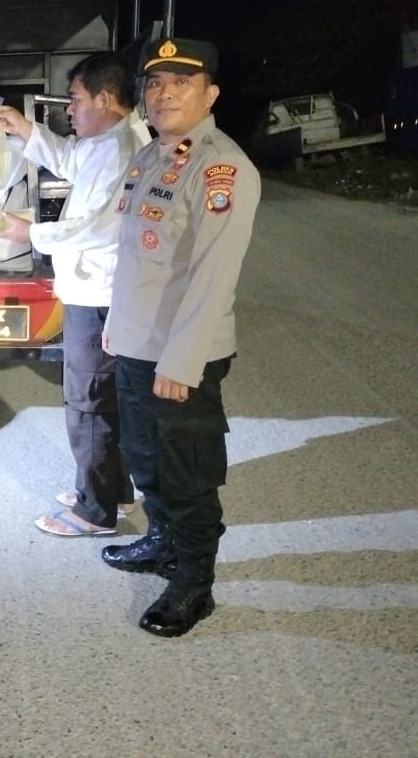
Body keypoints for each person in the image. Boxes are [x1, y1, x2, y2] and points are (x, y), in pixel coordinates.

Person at [100, 37, 260, 637]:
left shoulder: (223, 168)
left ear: (210, 94)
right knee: (145, 457)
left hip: (180, 357)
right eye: (155, 83)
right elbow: (135, 258)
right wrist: (117, 326)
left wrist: (183, 361)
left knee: (188, 473)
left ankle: (194, 584)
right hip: (138, 345)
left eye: (181, 83)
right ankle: (162, 542)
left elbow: (214, 276)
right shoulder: (150, 157)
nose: (164, 93)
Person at [0, 52, 151, 538]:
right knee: (105, 397)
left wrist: (30, 233)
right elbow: (67, 158)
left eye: (76, 98)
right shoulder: (106, 141)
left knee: (89, 399)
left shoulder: (123, 150)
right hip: (99, 288)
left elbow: (98, 227)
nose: (69, 108)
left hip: (100, 293)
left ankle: (93, 510)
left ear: (104, 98)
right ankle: (114, 490)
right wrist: (25, 129)